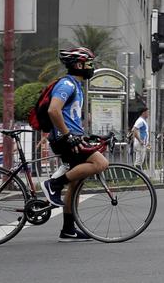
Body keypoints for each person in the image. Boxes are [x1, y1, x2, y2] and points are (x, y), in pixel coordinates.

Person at [40, 47, 109, 241]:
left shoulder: (76, 86)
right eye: (89, 64)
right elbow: (54, 111)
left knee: (76, 183)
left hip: (71, 137)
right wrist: (68, 135)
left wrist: (85, 135)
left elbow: (70, 117)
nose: (92, 67)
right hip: (64, 140)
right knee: (101, 164)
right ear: (79, 65)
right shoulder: (67, 84)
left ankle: (68, 230)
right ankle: (53, 185)